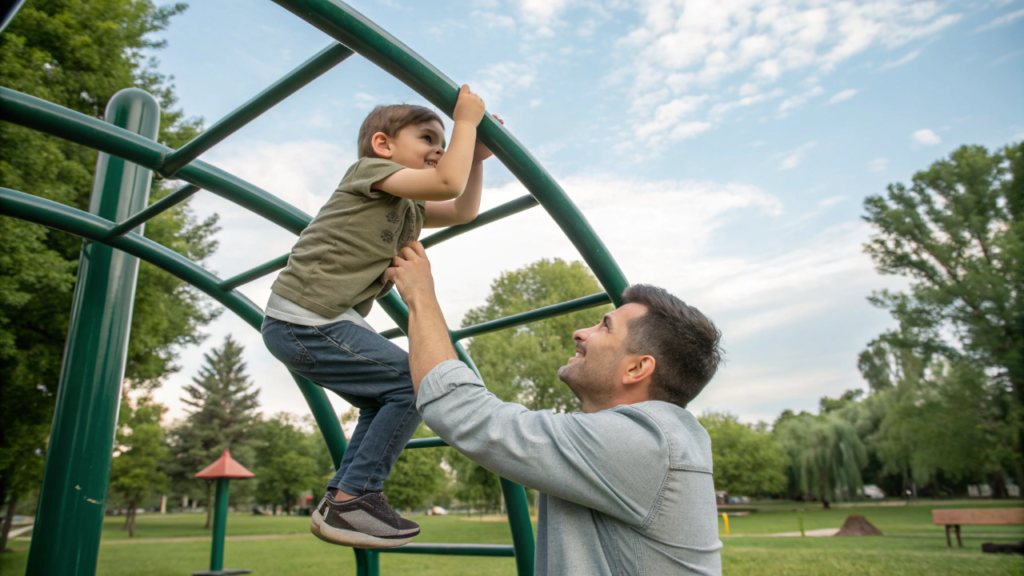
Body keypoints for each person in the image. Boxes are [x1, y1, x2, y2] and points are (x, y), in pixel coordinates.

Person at [383, 242, 725, 575]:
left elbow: (460, 410)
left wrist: (419, 295)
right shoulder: (652, 438)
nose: (581, 332)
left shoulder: (642, 443)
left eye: (604, 326)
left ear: (637, 368)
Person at [261, 85, 498, 549]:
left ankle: (344, 500)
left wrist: (476, 161)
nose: (439, 149)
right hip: (306, 319)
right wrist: (465, 121)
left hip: (317, 322)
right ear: (384, 145)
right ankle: (354, 499)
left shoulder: (407, 205)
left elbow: (463, 207)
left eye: (443, 142)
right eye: (428, 138)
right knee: (413, 384)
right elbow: (446, 183)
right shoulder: (371, 174)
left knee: (389, 395)